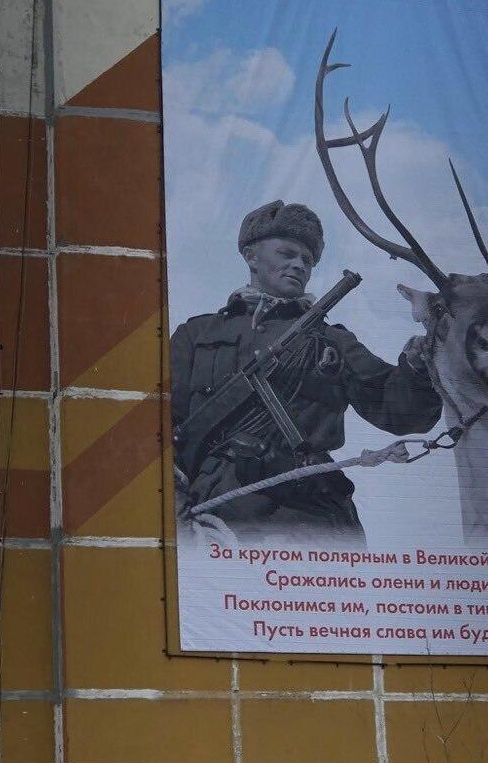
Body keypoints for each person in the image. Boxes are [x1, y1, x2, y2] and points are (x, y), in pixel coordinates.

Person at [170, 200, 442, 543]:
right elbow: (155, 428)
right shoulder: (197, 335)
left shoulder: (332, 341)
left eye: (307, 260)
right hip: (215, 519)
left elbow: (400, 412)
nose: (299, 264)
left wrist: (417, 367)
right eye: (287, 253)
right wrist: (172, 510)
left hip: (314, 518)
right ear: (251, 257)